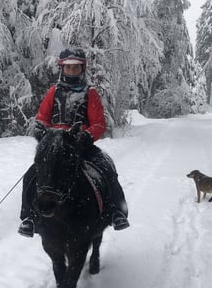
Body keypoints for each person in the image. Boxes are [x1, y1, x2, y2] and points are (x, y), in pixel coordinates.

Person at [18, 48, 130, 237]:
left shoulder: (90, 93)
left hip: (80, 145)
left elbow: (98, 123)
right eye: (68, 68)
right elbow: (42, 116)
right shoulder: (53, 91)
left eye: (75, 68)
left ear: (82, 69)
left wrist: (85, 136)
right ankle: (29, 217)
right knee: (31, 174)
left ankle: (116, 212)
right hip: (55, 145)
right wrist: (41, 130)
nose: (71, 71)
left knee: (106, 168)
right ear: (62, 69)